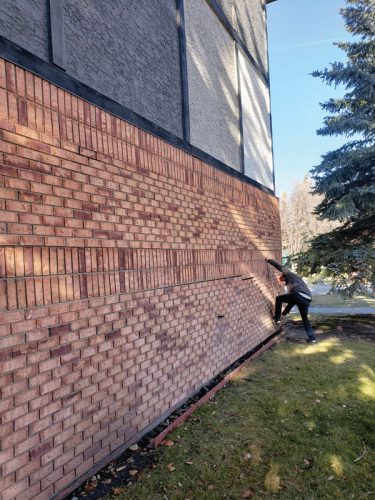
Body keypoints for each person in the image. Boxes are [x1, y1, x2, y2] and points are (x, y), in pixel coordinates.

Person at [265, 259, 316, 343]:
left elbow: (280, 267)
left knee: (279, 298)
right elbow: (292, 301)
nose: (283, 281)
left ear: (284, 276)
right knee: (305, 318)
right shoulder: (294, 283)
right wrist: (284, 313)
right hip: (307, 298)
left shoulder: (289, 274)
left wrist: (270, 261)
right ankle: (312, 338)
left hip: (299, 295)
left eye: (282, 279)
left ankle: (277, 319)